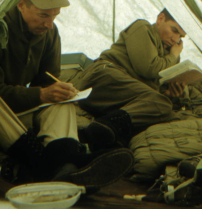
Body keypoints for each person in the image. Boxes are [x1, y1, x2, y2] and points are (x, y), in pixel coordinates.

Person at [0, 0, 133, 189]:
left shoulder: (49, 33)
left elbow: (47, 82)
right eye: (43, 15)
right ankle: (42, 161)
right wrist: (41, 94)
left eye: (55, 16)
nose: (50, 24)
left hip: (17, 121)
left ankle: (65, 166)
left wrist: (59, 92)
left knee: (61, 102)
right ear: (22, 3)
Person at [70, 9, 186, 151]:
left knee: (166, 112)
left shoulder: (169, 52)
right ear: (160, 18)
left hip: (122, 95)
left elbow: (148, 88)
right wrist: (174, 56)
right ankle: (104, 128)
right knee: (159, 103)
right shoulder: (143, 28)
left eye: (181, 36)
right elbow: (149, 69)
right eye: (174, 30)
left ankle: (104, 137)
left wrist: (169, 93)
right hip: (104, 76)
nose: (176, 39)